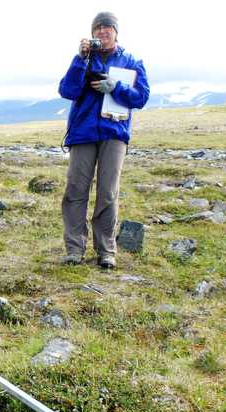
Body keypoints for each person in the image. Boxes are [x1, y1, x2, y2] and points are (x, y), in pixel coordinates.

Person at [58, 12, 150, 269]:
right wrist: (80, 59)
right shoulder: (84, 59)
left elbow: (141, 97)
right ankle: (74, 249)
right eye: (97, 28)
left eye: (107, 27)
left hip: (114, 133)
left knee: (108, 193)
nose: (102, 32)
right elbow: (68, 91)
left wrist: (116, 88)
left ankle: (106, 251)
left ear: (116, 32)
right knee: (76, 190)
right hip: (83, 132)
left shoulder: (132, 61)